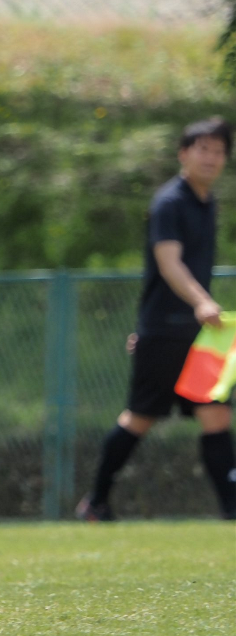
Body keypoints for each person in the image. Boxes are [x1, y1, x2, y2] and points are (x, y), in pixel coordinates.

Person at [79, 117, 233, 521]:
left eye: (219, 151)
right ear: (184, 154)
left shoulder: (207, 202)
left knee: (215, 413)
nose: (211, 158)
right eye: (203, 149)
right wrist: (201, 302)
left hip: (199, 333)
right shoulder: (169, 202)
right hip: (166, 330)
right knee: (140, 418)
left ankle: (231, 510)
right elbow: (169, 263)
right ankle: (96, 502)